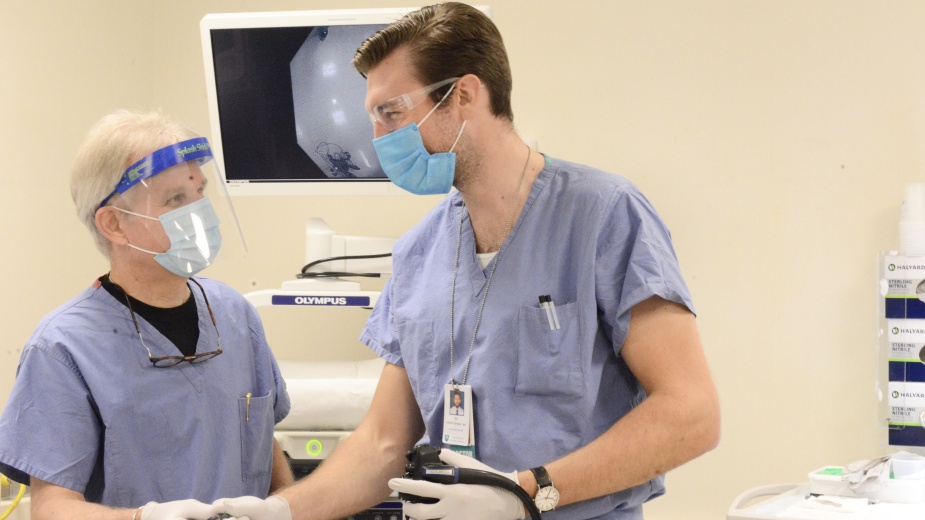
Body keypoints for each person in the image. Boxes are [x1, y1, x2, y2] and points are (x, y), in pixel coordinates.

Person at [218, 3, 720, 520]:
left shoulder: (604, 216)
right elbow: (383, 444)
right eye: (373, 118)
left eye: (391, 113)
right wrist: (279, 511)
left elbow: (691, 414)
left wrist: (524, 493)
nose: (378, 139)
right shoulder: (419, 252)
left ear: (463, 95)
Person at [0, 110, 293, 520]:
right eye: (175, 200)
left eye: (199, 192)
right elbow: (52, 509)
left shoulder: (235, 314)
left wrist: (287, 505)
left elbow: (262, 444)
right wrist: (143, 518)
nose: (199, 211)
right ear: (114, 224)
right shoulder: (63, 348)